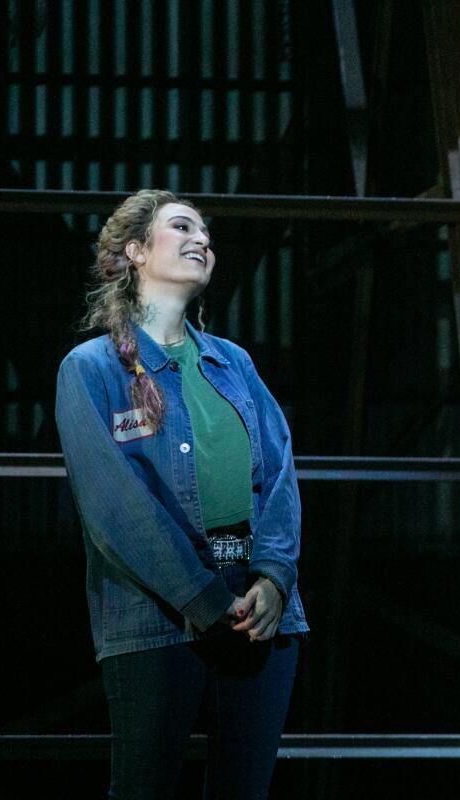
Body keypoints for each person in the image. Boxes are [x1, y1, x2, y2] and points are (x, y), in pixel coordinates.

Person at [56, 189, 309, 799]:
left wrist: (274, 577)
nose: (203, 240)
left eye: (207, 234)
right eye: (182, 227)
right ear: (137, 251)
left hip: (258, 608)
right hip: (155, 615)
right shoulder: (92, 368)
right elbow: (114, 506)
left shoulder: (234, 363)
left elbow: (279, 474)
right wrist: (200, 598)